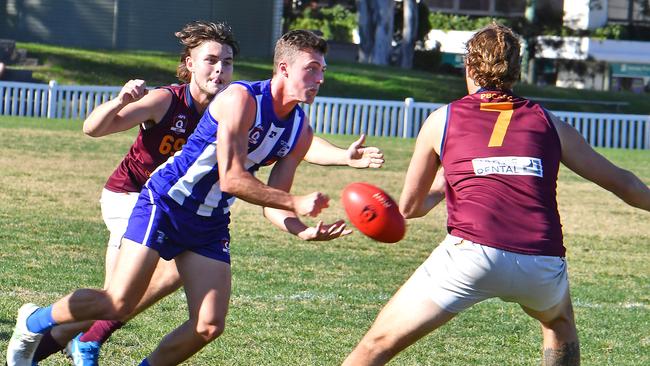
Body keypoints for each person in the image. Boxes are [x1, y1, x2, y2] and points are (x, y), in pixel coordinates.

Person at [31, 20, 383, 366]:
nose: (220, 69)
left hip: (202, 214)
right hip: (139, 195)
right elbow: (93, 129)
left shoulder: (266, 116)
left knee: (192, 309)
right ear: (190, 64)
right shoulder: (185, 100)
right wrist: (119, 101)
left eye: (227, 62)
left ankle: (86, 335)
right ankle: (51, 330)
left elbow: (288, 158)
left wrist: (302, 221)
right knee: (118, 298)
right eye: (211, 60)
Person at [342, 23, 650, 366]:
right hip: (541, 258)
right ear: (516, 71)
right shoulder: (550, 123)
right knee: (559, 322)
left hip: (471, 255)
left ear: (470, 68)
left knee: (376, 345)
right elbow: (623, 184)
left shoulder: (441, 120)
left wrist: (447, 183)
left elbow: (410, 207)